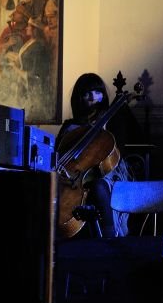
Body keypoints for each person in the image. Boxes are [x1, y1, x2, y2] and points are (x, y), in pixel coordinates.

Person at [56, 73, 142, 239]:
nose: (92, 97)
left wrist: (113, 119)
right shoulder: (70, 126)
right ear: (78, 98)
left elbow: (122, 145)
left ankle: (109, 237)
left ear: (103, 95)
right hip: (72, 174)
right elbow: (59, 153)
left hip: (108, 170)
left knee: (99, 186)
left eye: (97, 92)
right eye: (86, 93)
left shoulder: (111, 119)